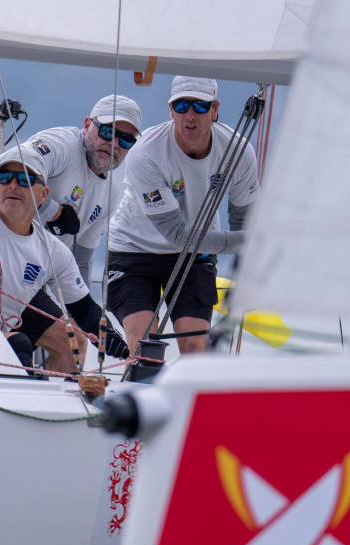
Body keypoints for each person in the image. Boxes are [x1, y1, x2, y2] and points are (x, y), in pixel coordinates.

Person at [0, 144, 129, 374]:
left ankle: (48, 407)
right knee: (19, 345)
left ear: (43, 195)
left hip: (0, 327)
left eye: (25, 179)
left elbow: (83, 308)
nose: (12, 185)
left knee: (74, 342)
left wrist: (107, 334)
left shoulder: (53, 251)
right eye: (4, 177)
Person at [106, 76, 260, 355]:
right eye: (181, 105)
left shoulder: (239, 151)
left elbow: (242, 221)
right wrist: (252, 241)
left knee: (195, 346)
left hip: (194, 255)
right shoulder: (146, 153)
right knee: (144, 347)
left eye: (200, 106)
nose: (190, 115)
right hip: (134, 250)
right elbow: (178, 236)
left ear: (215, 110)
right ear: (170, 111)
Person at [0, 95, 142, 282]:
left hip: (26, 269)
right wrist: (55, 213)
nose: (114, 144)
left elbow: (81, 261)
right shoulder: (60, 145)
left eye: (125, 141)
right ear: (87, 124)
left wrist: (81, 306)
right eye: (108, 132)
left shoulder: (110, 194)